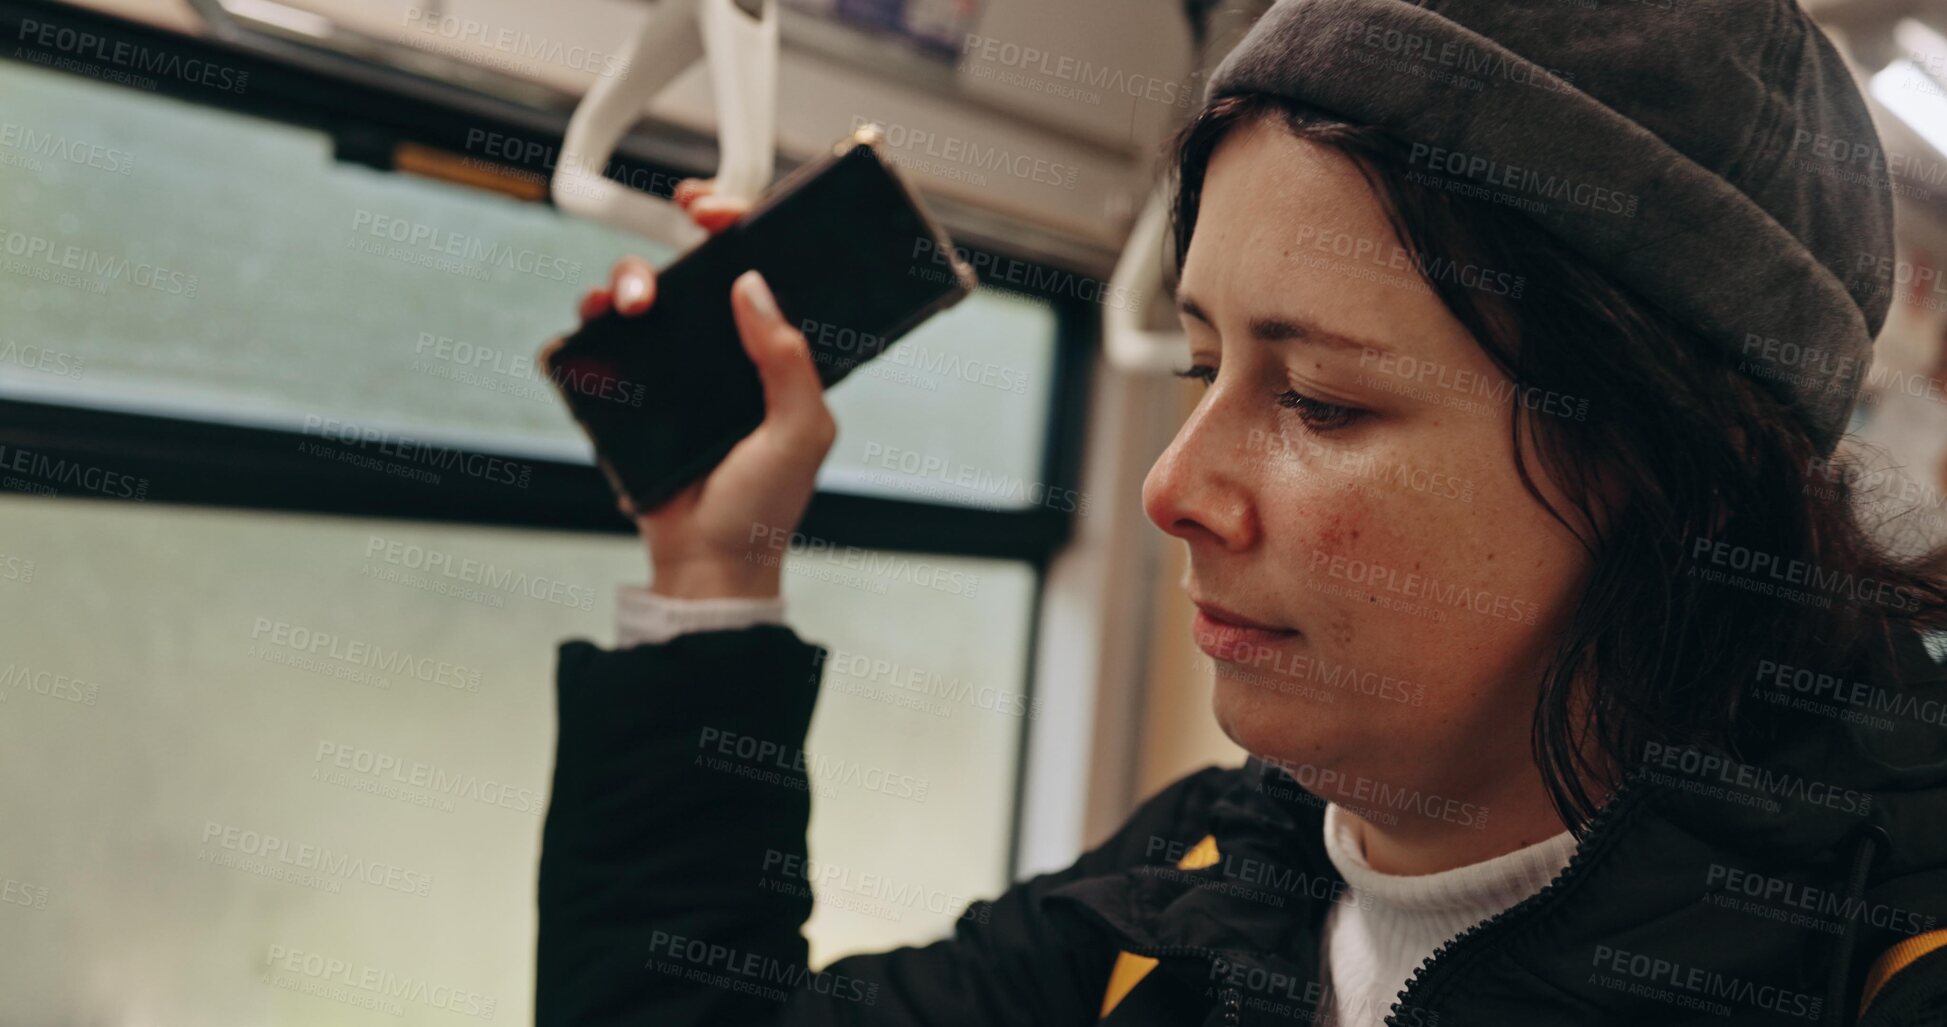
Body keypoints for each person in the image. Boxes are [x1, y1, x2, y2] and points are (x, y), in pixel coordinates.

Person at [535, 1, 1947, 1024]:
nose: (1170, 490)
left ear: (1672, 467)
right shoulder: (1199, 890)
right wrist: (714, 573)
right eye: (1204, 365)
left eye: (1323, 401)